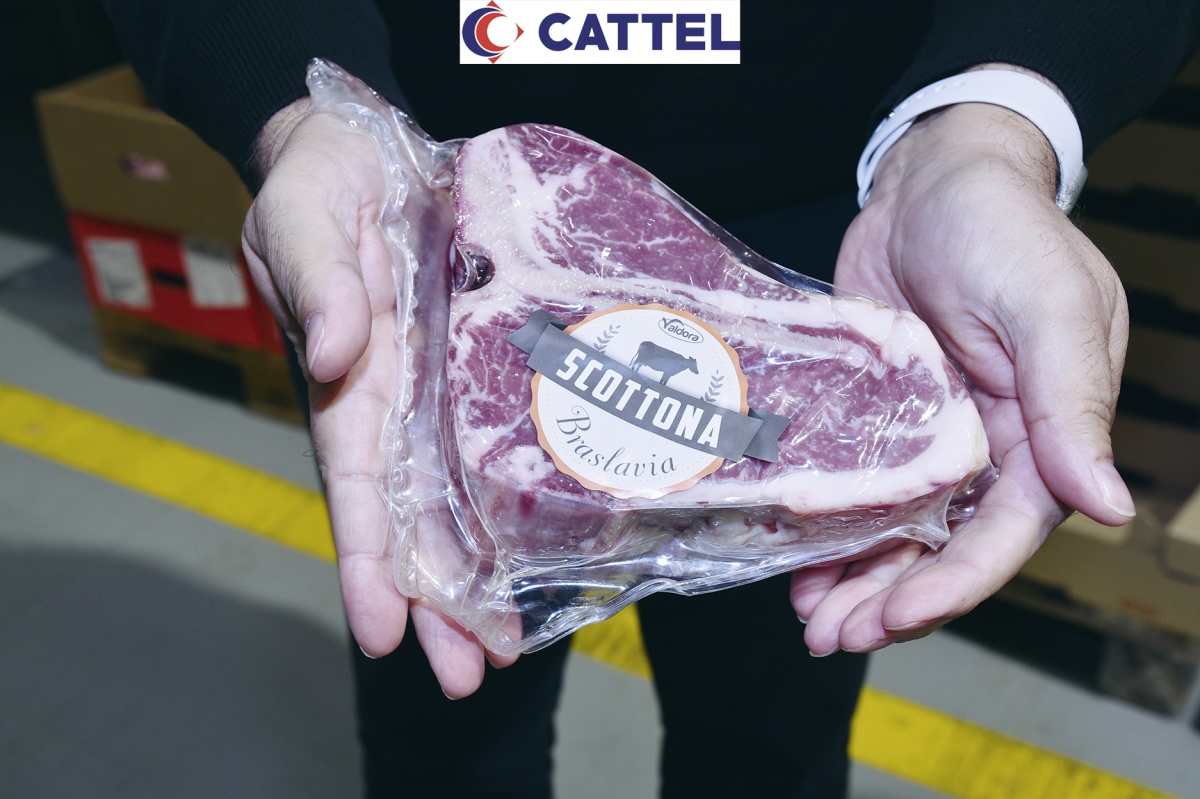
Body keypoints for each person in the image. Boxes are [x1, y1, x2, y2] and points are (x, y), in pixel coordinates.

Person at [102, 2, 1200, 796]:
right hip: (441, 232)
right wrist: (300, 106)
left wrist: (993, 122)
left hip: (842, 245)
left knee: (767, 734)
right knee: (445, 715)